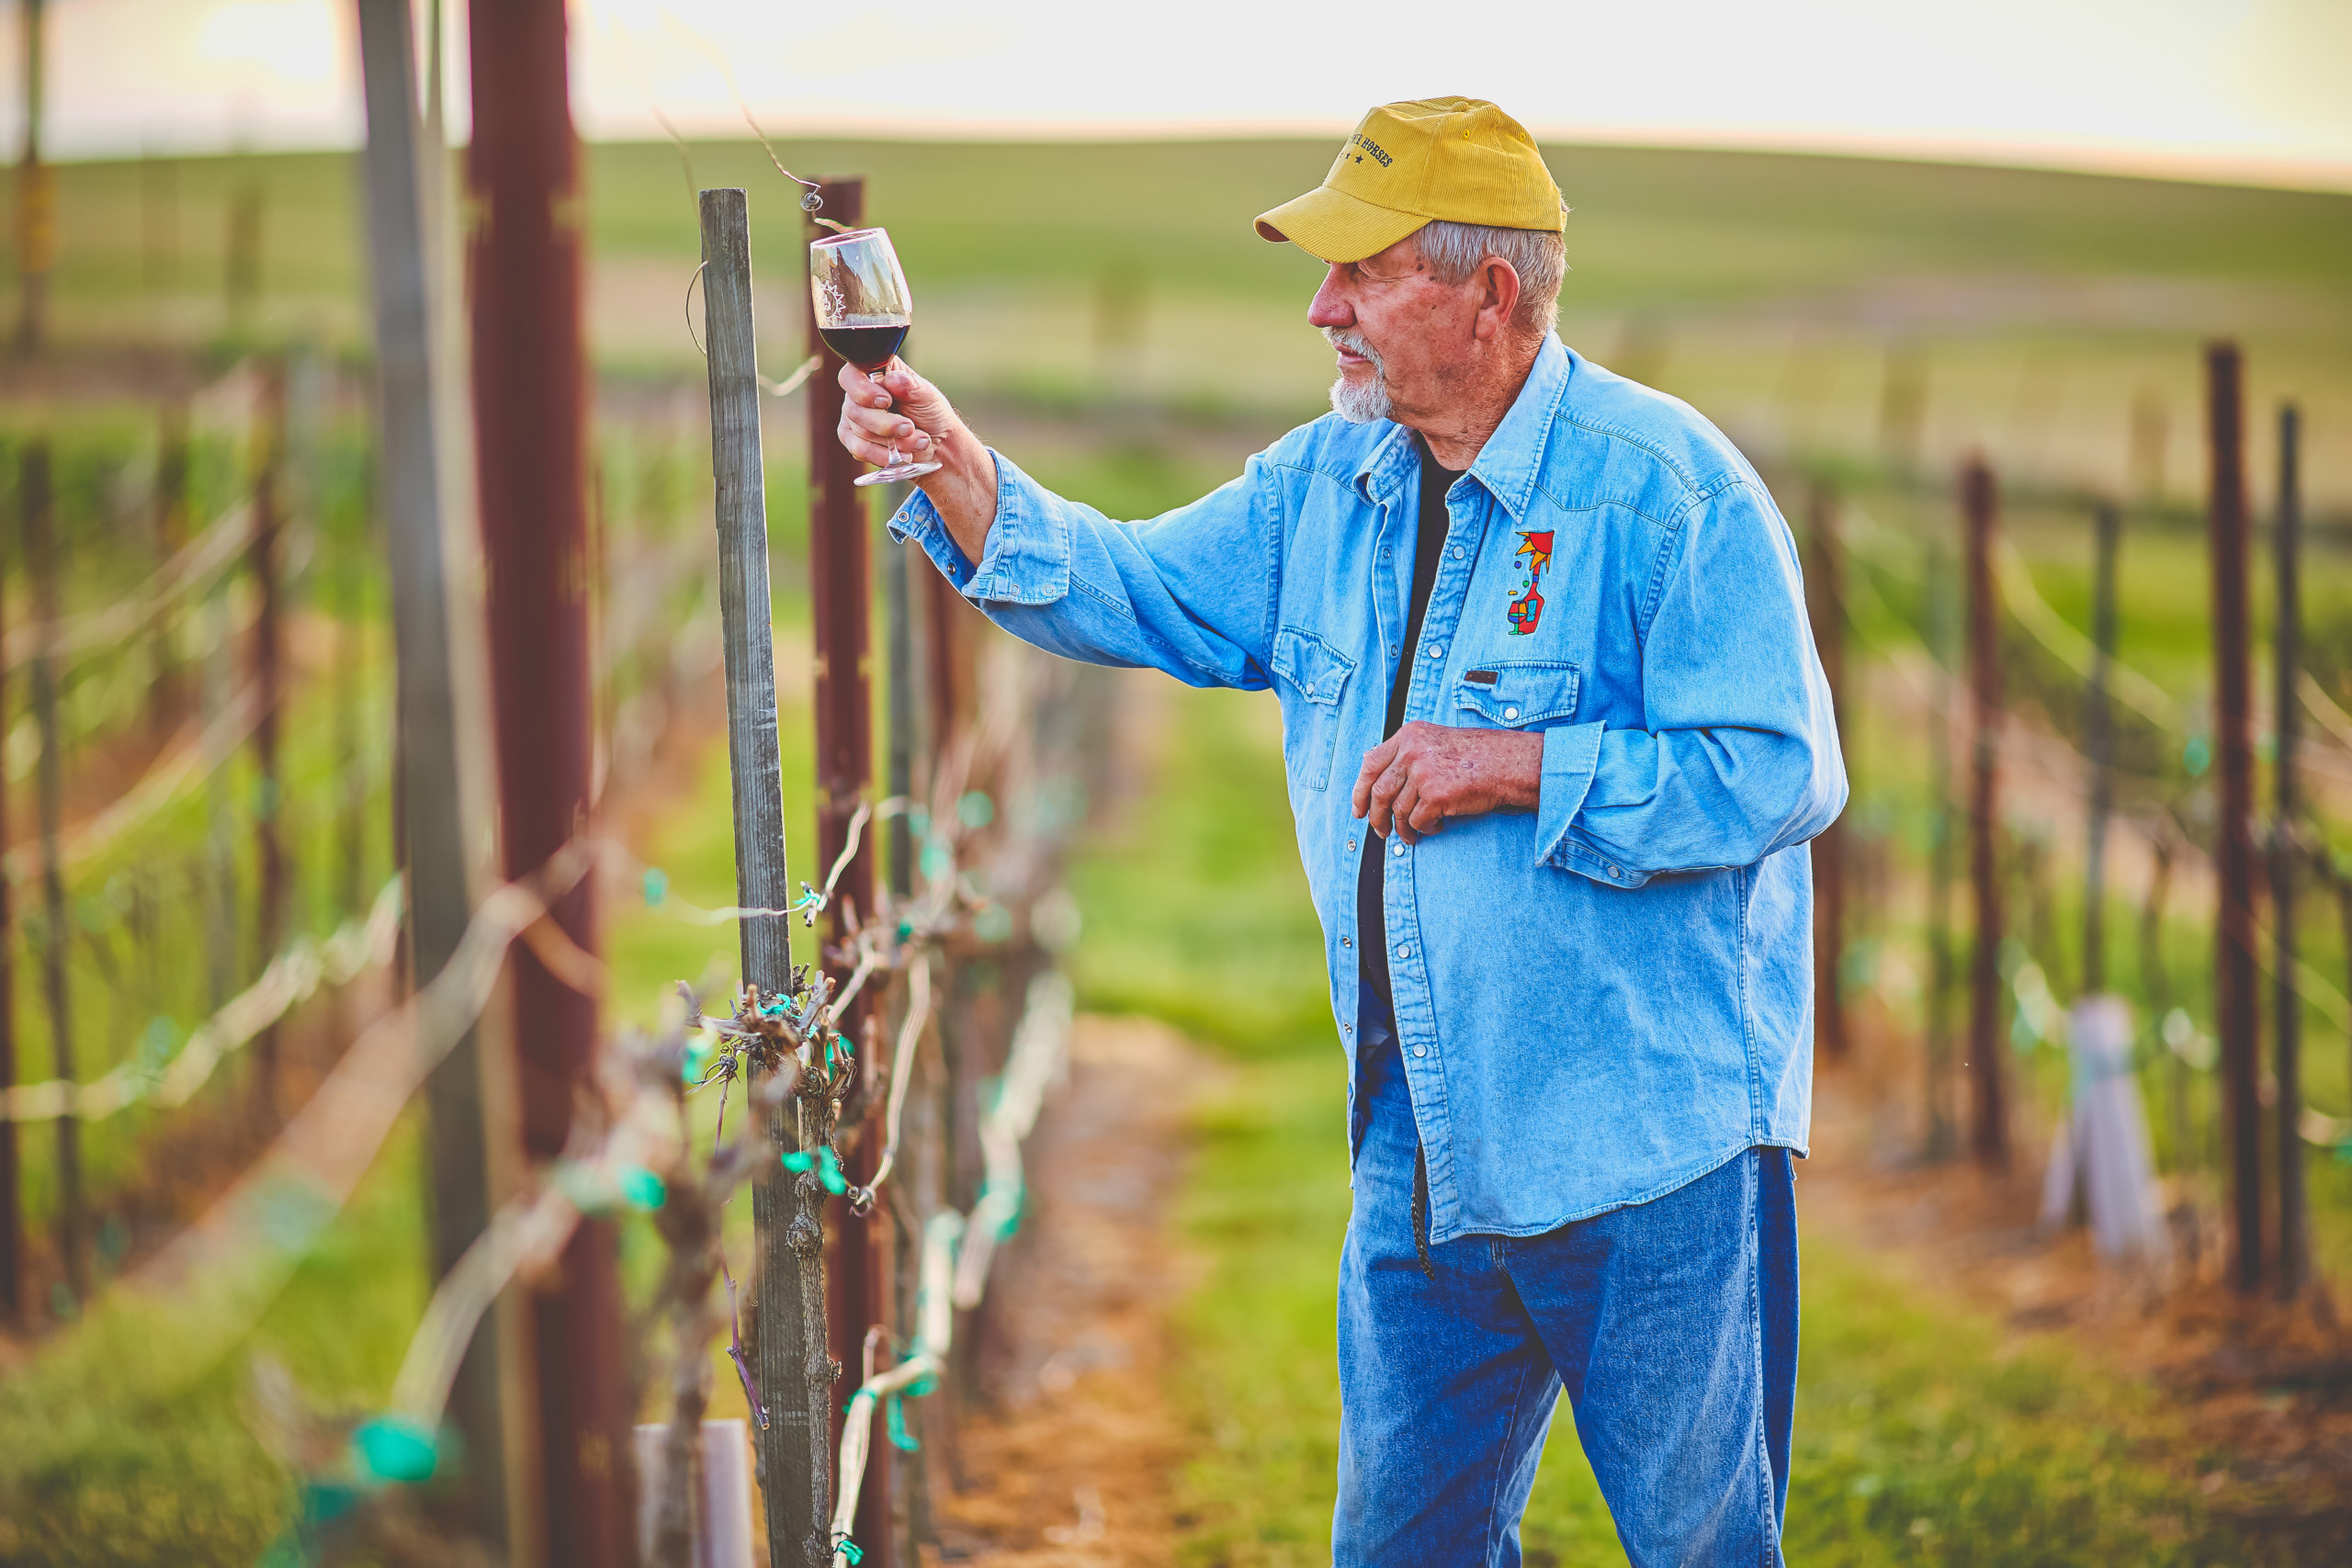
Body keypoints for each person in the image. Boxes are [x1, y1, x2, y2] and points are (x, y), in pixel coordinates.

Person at [836, 96, 1845, 1568]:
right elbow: (1131, 587)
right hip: (1422, 1146)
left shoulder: (1671, 497)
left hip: (1651, 1155)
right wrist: (956, 467)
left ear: (1490, 294)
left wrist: (1512, 765)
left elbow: (1774, 772)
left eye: (1361, 273)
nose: (1322, 309)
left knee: (1703, 1551)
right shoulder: (1329, 483)